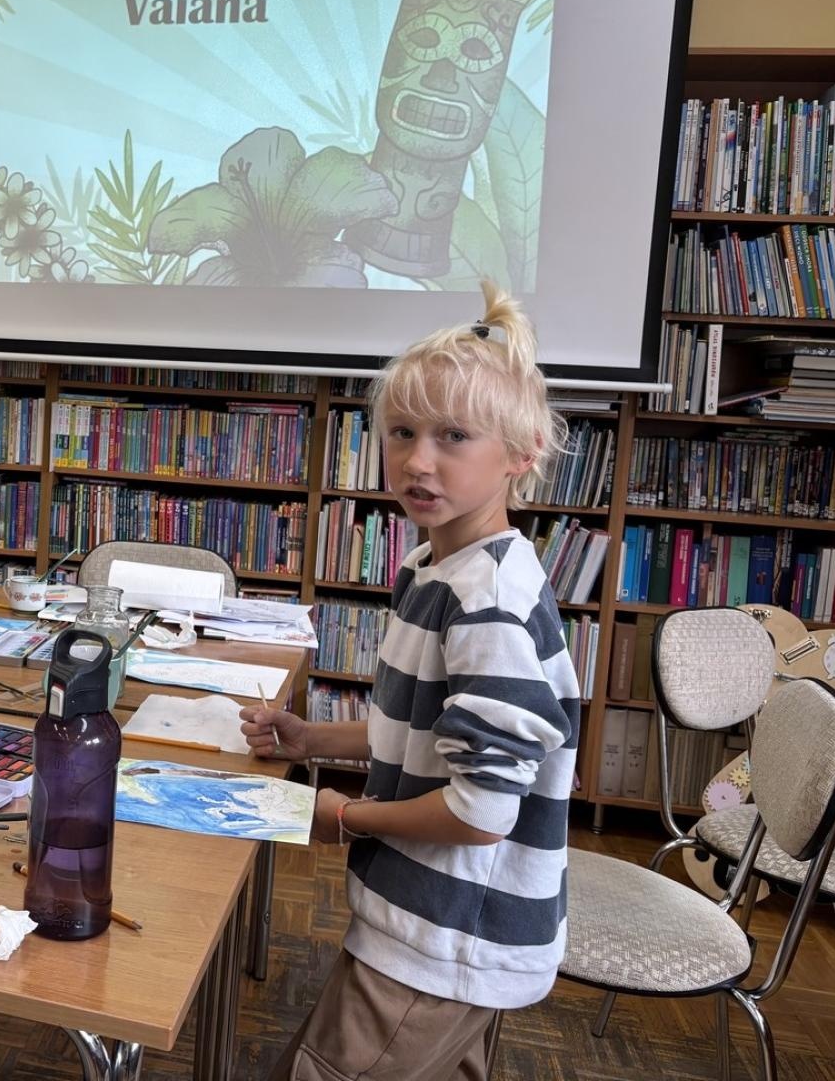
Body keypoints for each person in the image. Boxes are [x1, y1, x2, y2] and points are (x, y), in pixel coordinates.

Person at [242, 281, 578, 1081]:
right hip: (452, 927)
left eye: (453, 436)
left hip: (447, 935)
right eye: (401, 432)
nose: (418, 460)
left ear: (521, 454)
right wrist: (313, 737)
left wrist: (344, 817)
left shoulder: (486, 604)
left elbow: (482, 808)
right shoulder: (439, 564)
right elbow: (430, 731)